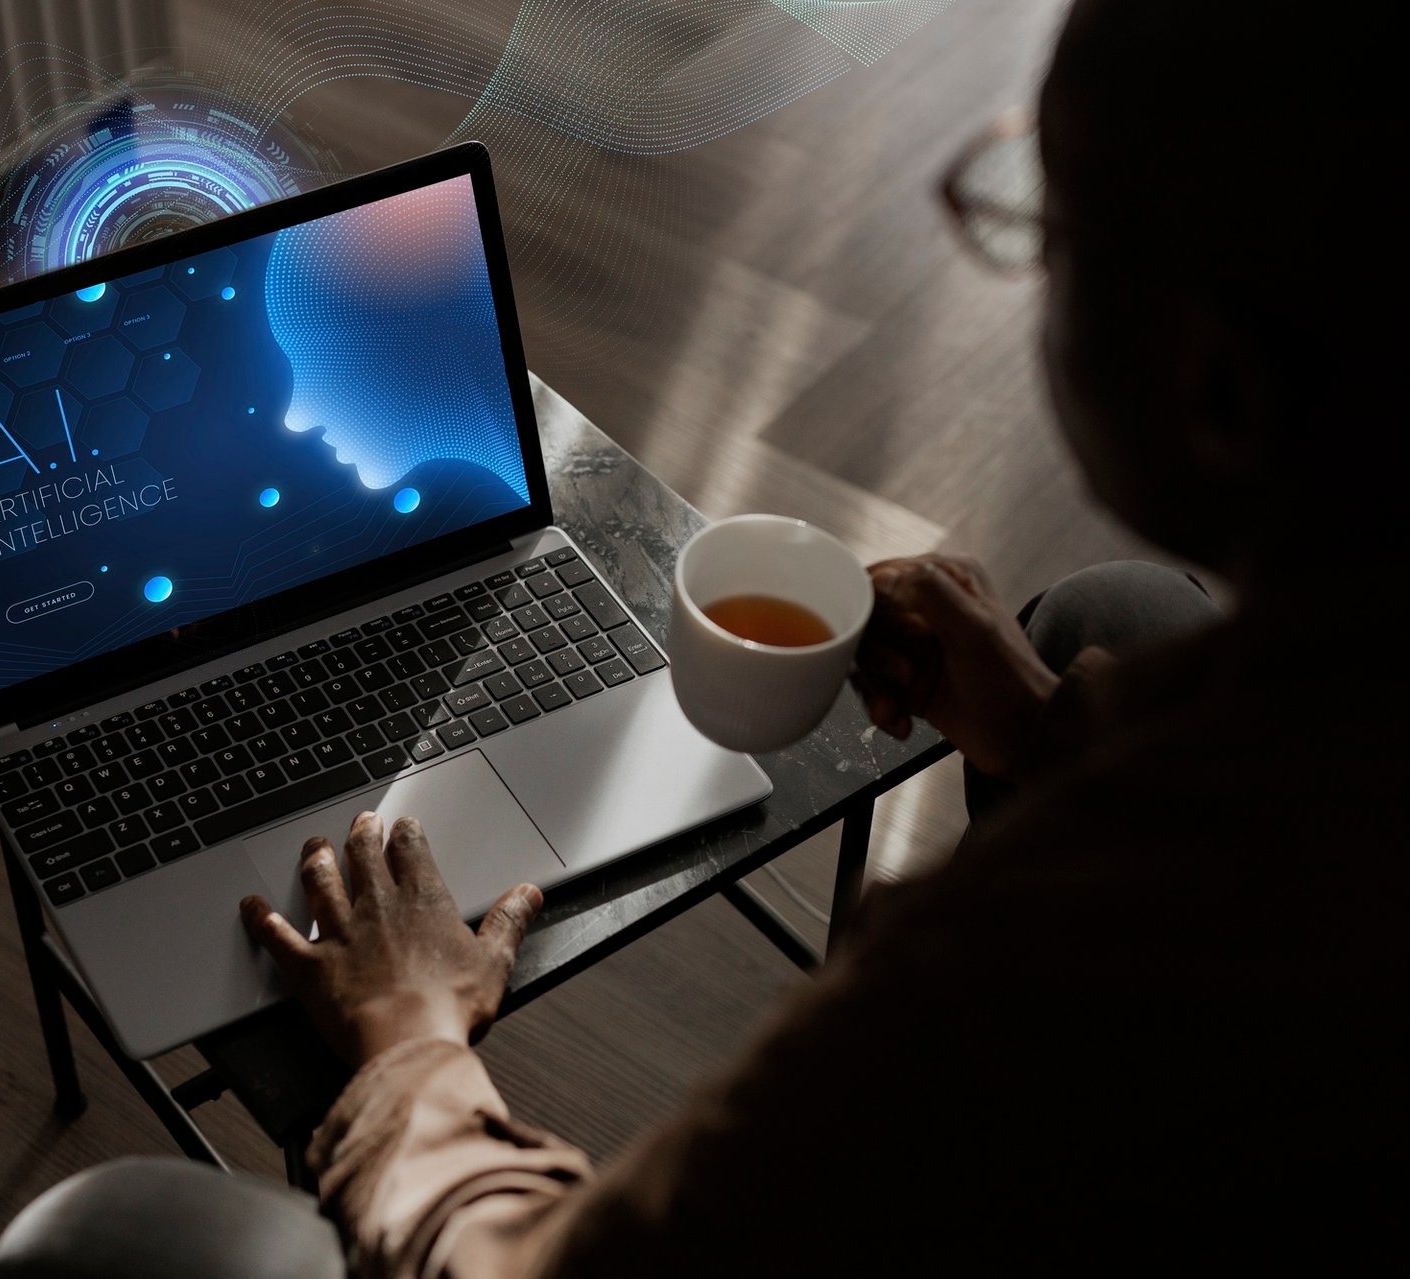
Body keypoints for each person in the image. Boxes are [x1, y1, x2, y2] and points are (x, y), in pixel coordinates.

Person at [230, 0, 1408, 1269]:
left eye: (1047, 230)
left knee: (118, 1229)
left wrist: (412, 1043)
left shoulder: (1022, 975)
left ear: (1216, 388)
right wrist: (1056, 730)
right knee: (1113, 614)